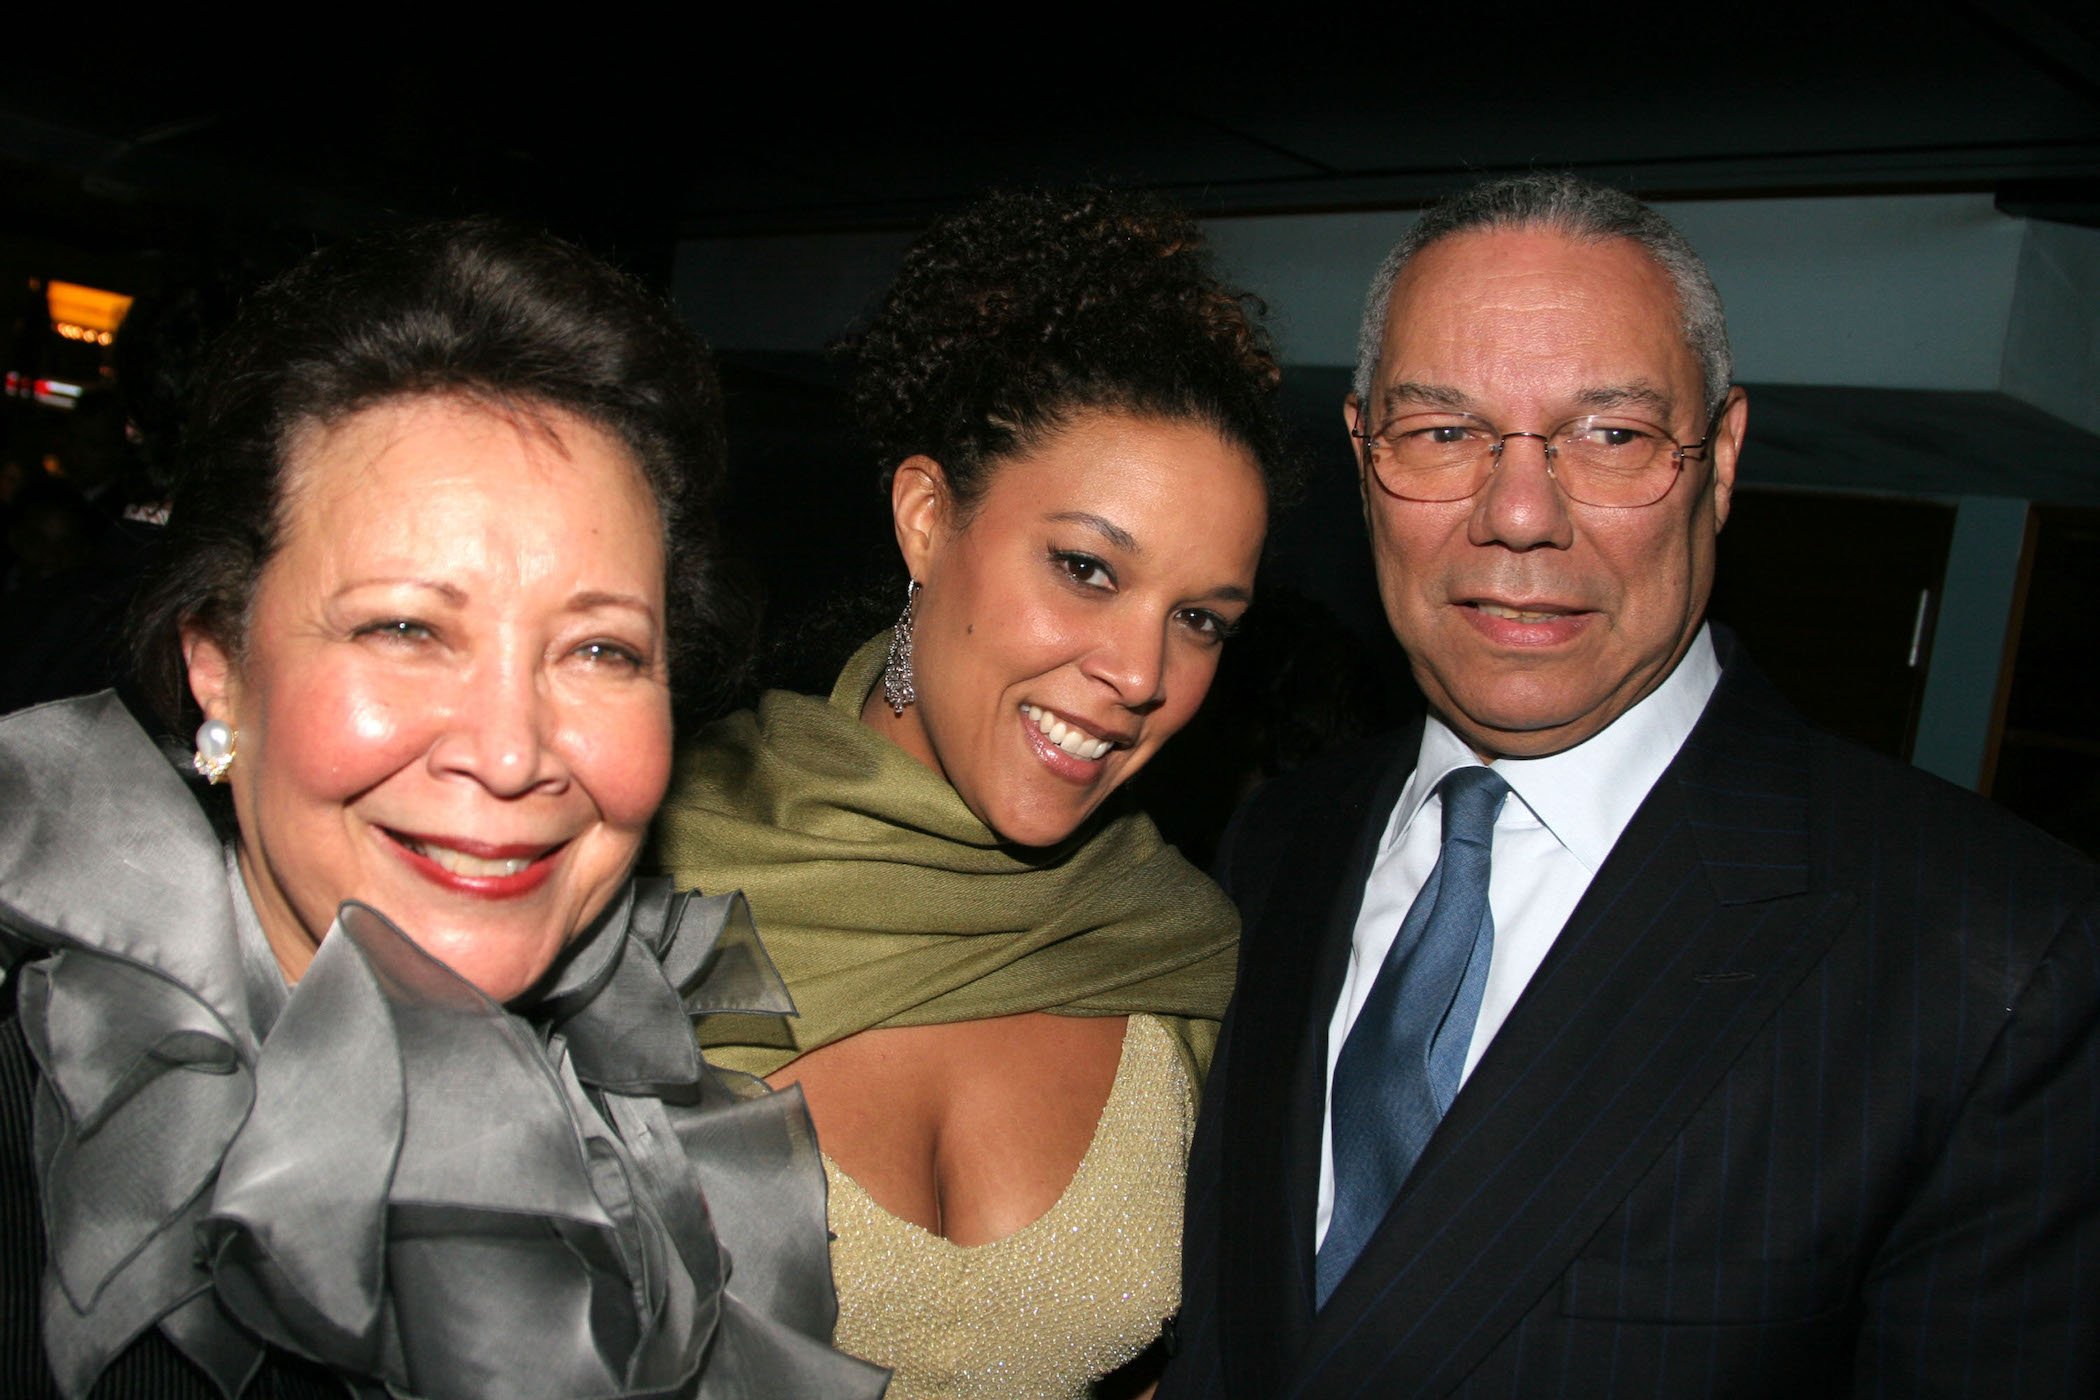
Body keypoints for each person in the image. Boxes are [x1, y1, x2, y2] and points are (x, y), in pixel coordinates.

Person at [1164, 172, 2100, 1397]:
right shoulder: (1279, 835)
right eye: (1444, 431)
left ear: (1719, 462)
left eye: (1610, 435)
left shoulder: (1996, 954)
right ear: (1361, 454)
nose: (1517, 514)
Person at [0, 221, 887, 1400]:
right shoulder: (38, 1122)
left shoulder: (666, 1140)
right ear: (217, 657)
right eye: (407, 628)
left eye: (601, 648)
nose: (514, 752)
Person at [654, 187, 1288, 1398]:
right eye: (1087, 568)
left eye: (1199, 619)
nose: (1140, 674)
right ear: (928, 518)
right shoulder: (640, 878)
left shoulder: (1180, 955)